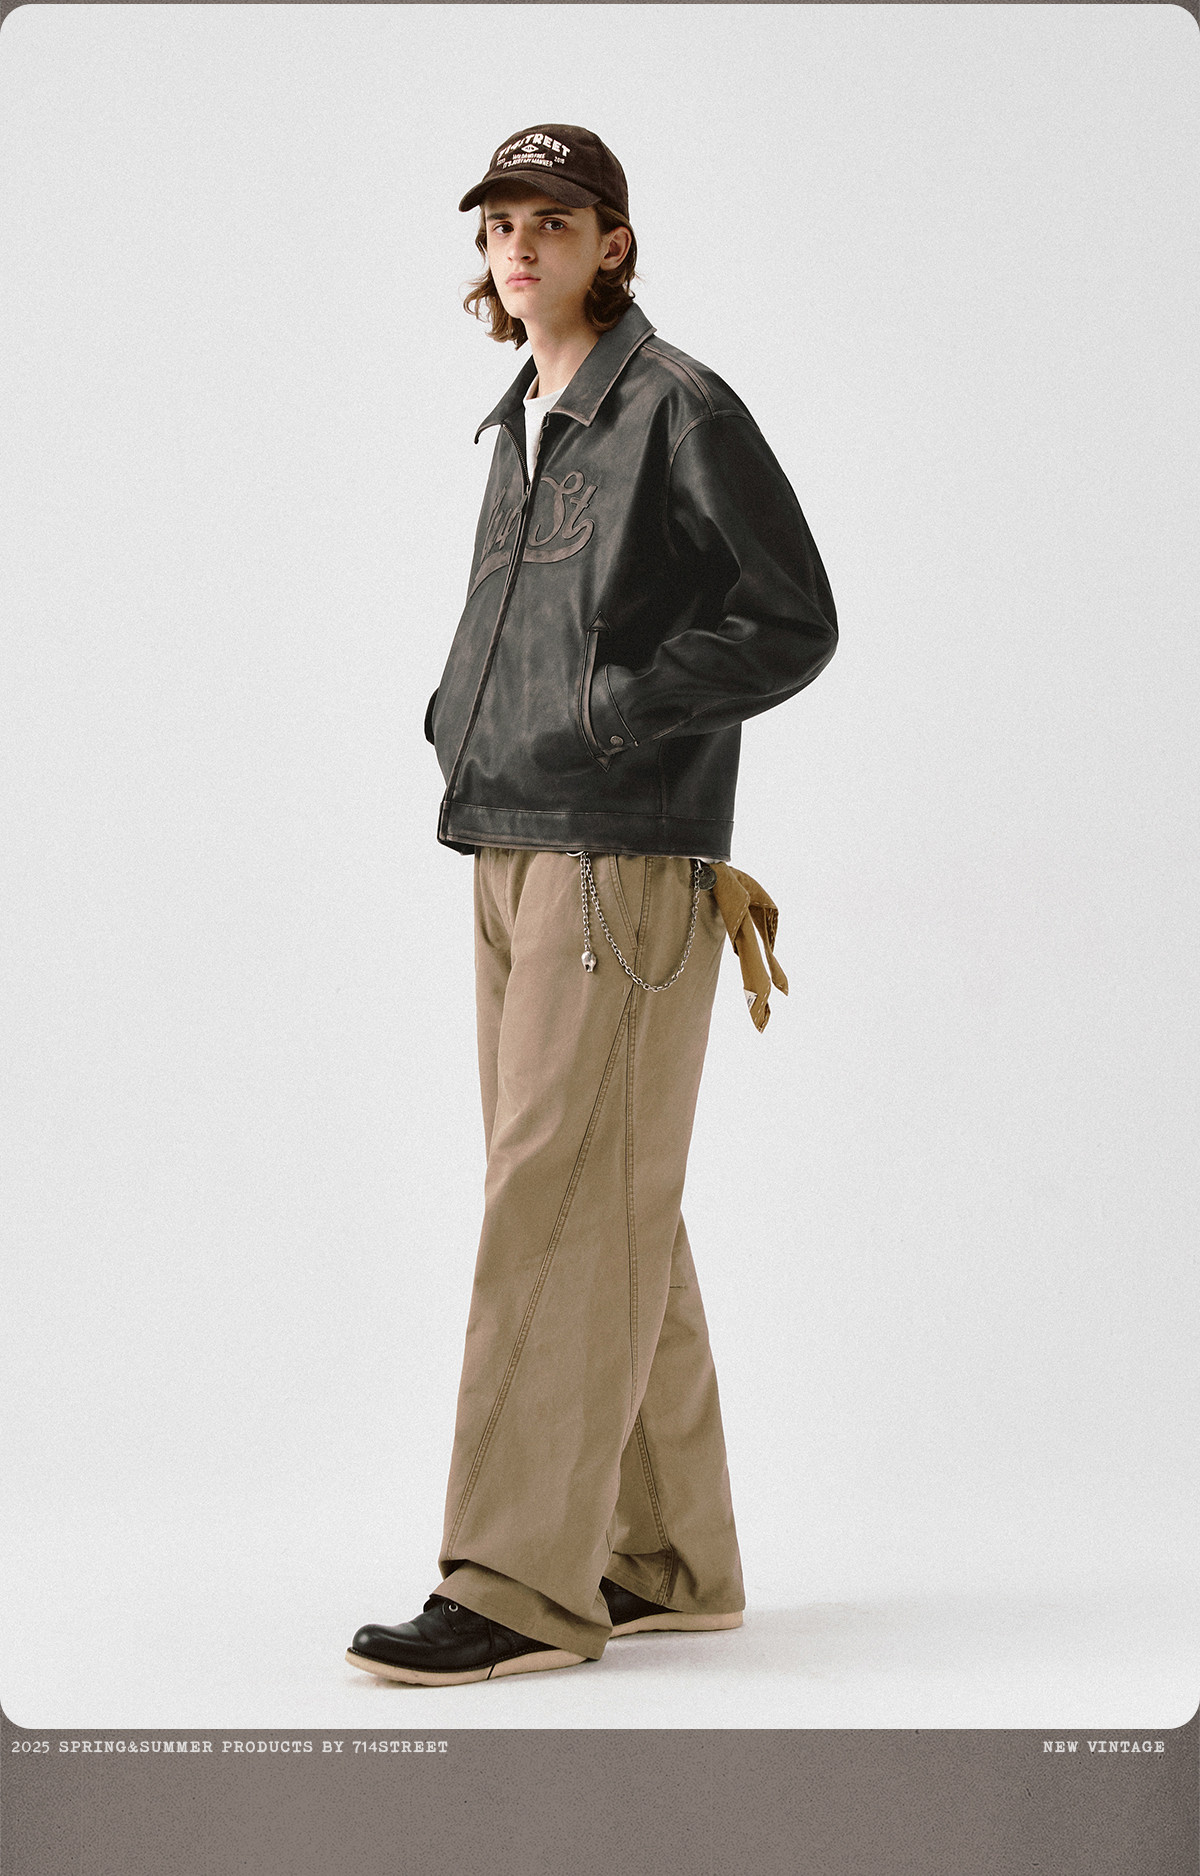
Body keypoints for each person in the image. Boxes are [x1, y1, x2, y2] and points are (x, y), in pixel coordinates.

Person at [346, 124, 837, 1686]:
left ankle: (515, 1586)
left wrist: (620, 710)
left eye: (554, 221)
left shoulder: (677, 405)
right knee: (598, 1191)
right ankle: (668, 1558)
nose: (522, 245)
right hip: (509, 840)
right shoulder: (528, 420)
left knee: (550, 1205)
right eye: (503, 222)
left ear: (612, 244)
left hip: (617, 858)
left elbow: (792, 616)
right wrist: (459, 717)